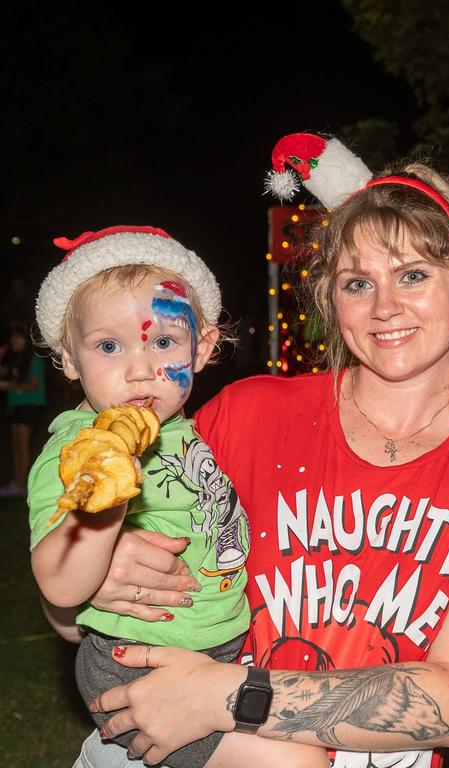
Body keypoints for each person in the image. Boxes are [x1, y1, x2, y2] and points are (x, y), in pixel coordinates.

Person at [77, 163, 449, 767]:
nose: (385, 307)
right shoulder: (249, 414)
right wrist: (100, 554)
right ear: (331, 298)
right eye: (358, 283)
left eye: (413, 275)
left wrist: (229, 697)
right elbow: (80, 617)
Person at [28, 226, 328, 767]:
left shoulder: (188, 433)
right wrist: (106, 503)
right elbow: (59, 583)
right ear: (69, 359)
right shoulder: (79, 449)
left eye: (163, 341)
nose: (140, 367)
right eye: (108, 345)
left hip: (221, 651)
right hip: (138, 666)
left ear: (203, 347)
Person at [0, 322, 46, 495]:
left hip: (30, 406)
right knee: (15, 445)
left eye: (19, 338)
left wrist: (10, 387)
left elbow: (33, 385)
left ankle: (21, 483)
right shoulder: (13, 359)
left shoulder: (33, 359)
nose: (15, 341)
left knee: (23, 445)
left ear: (26, 340)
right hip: (15, 405)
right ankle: (17, 482)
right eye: (13, 338)